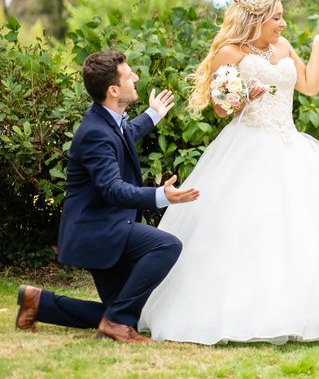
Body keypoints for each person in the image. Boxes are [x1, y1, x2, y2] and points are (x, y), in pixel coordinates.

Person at [138, 0, 319, 344]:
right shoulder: (228, 53)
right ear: (257, 18)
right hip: (247, 145)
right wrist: (244, 97)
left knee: (302, 228)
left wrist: (317, 47)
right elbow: (220, 109)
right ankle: (239, 309)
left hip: (290, 145)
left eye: (281, 16)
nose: (282, 23)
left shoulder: (283, 46)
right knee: (247, 226)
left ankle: (305, 311)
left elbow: (309, 86)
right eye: (276, 17)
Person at [15, 51, 200, 344]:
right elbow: (112, 189)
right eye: (129, 76)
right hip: (98, 231)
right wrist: (160, 195)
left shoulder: (105, 120)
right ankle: (116, 324)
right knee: (167, 245)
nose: (136, 77)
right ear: (113, 90)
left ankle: (39, 303)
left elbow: (124, 134)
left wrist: (153, 115)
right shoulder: (95, 133)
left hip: (103, 227)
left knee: (123, 311)